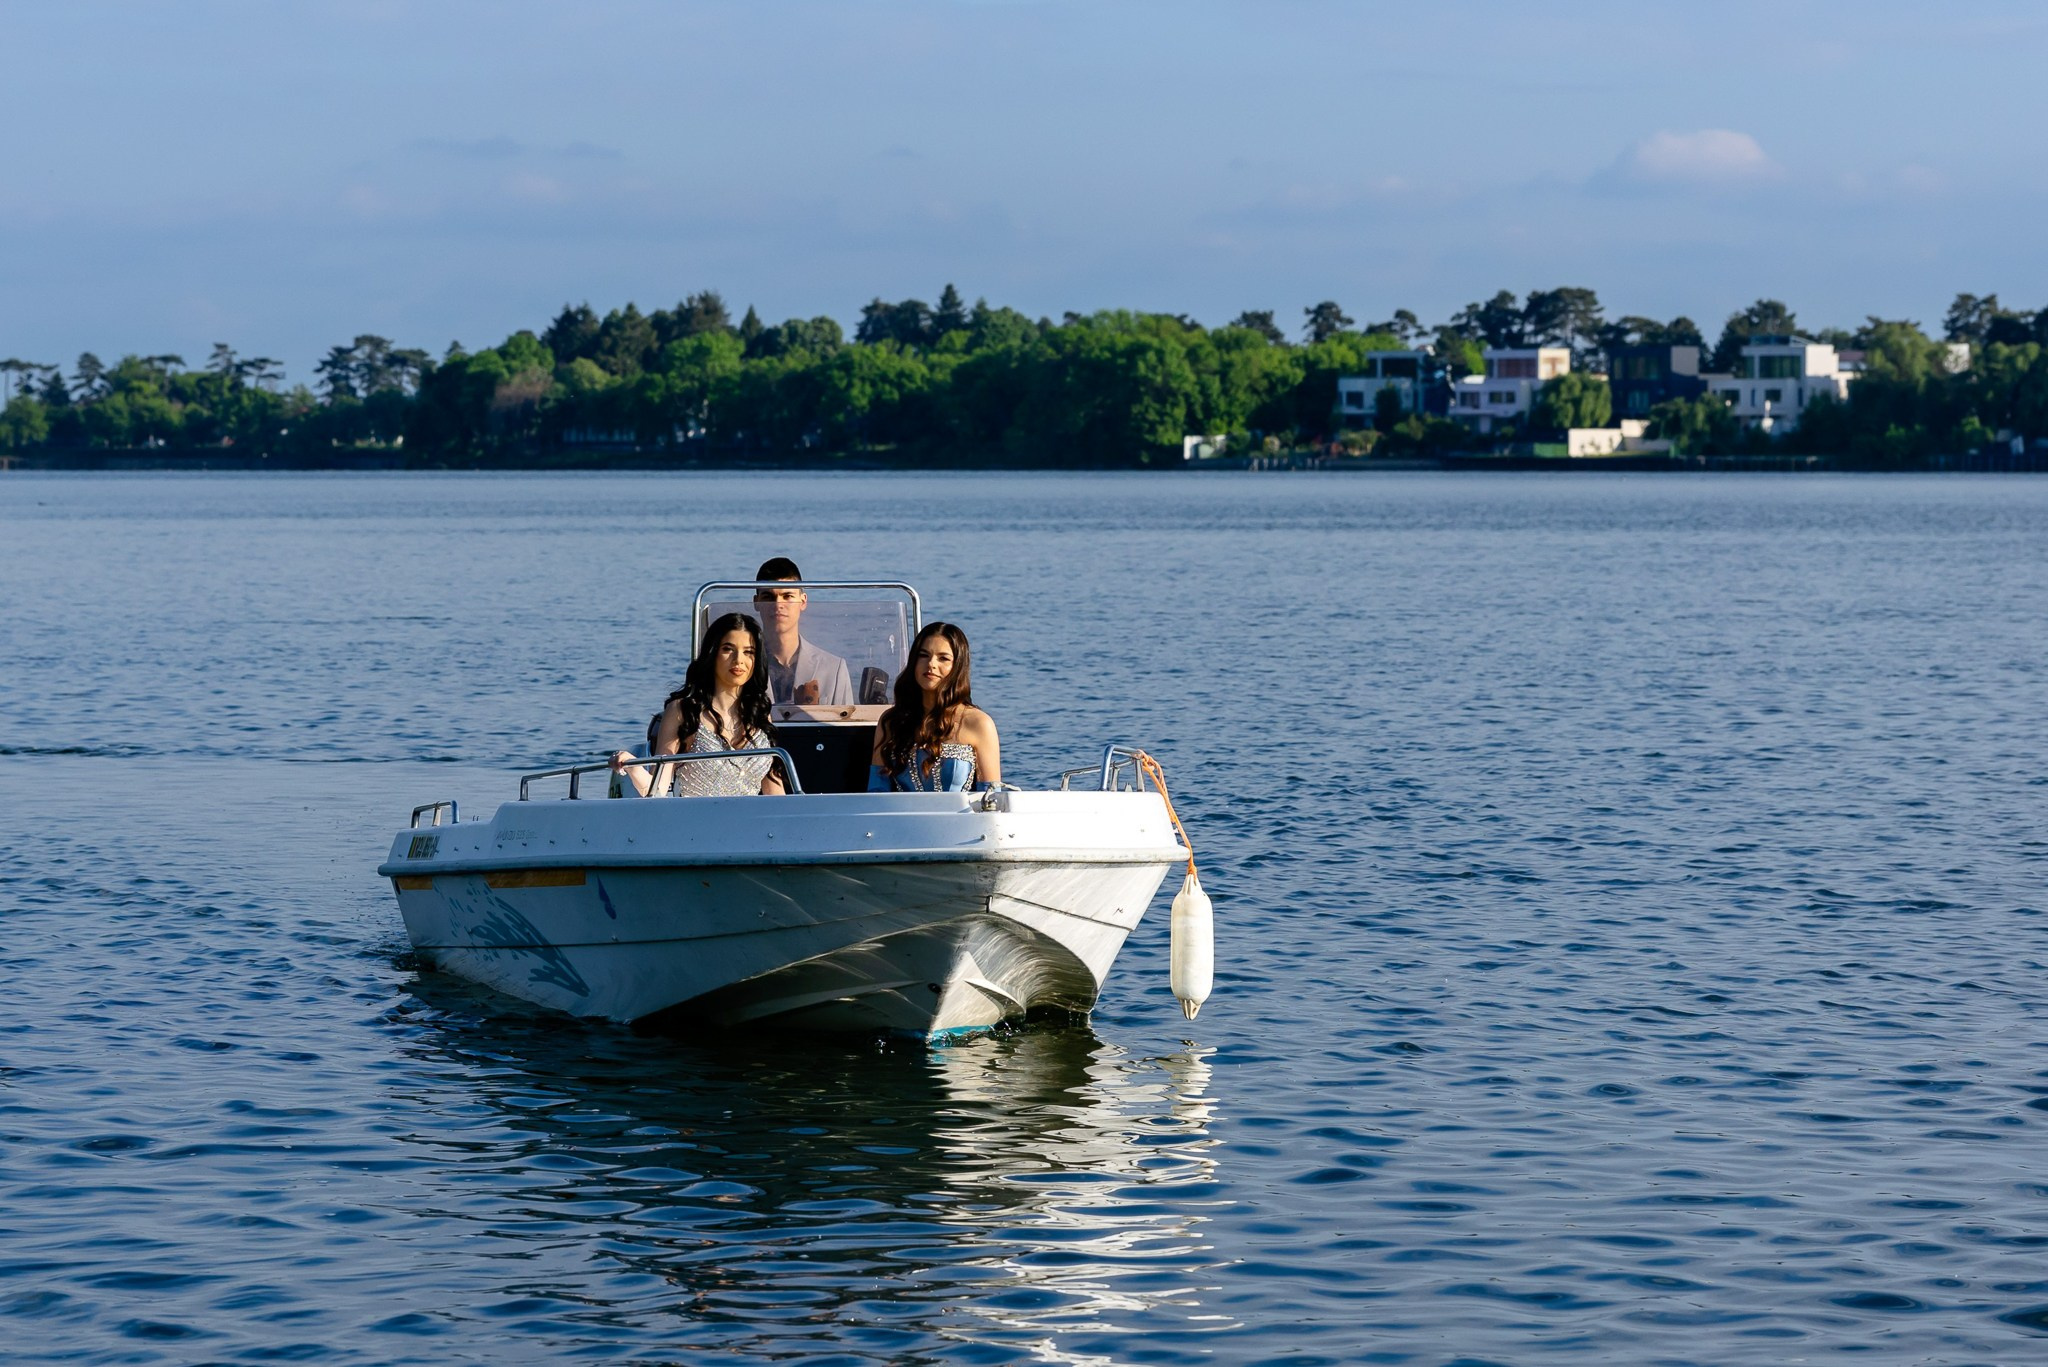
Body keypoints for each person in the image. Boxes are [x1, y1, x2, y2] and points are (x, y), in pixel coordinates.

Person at [615, 612, 786, 797]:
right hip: (698, 821)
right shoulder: (683, 711)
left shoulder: (759, 713)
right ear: (713, 653)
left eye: (748, 652)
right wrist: (631, 766)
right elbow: (657, 788)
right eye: (728, 649)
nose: (739, 660)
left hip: (752, 823)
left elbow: (775, 793)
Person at [868, 622, 1002, 792]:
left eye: (943, 658)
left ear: (958, 667)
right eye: (923, 655)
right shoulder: (891, 721)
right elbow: (876, 791)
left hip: (961, 818)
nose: (931, 664)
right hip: (900, 818)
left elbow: (991, 798)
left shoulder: (979, 723)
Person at [752, 556, 853, 707]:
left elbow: (845, 727)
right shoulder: (743, 665)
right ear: (756, 602)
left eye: (787, 596)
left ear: (803, 601)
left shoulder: (833, 668)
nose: (778, 604)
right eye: (769, 597)